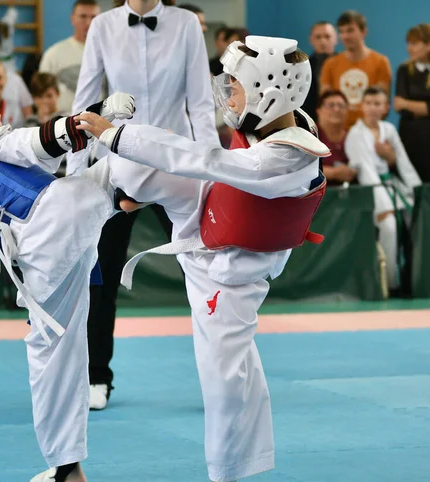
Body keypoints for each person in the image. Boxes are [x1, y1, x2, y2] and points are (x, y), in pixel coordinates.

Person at [77, 35, 330, 482]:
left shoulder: (285, 157)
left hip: (229, 277)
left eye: (234, 88)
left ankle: (227, 473)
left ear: (269, 92)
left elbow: (205, 158)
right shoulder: (283, 120)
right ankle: (97, 198)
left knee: (226, 381)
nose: (228, 98)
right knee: (149, 160)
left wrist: (116, 134)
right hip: (209, 223)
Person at [0, 70, 136, 482]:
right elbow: (42, 141)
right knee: (128, 172)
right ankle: (195, 178)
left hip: (44, 258)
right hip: (59, 219)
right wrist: (95, 115)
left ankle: (67, 468)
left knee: (54, 358)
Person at [71, 0, 219, 410]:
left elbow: (201, 102)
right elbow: (84, 101)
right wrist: (73, 173)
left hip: (178, 164)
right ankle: (96, 377)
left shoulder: (187, 23)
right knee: (101, 274)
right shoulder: (102, 26)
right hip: (119, 165)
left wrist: (213, 169)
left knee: (207, 272)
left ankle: (220, 377)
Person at [345, 86, 422, 292]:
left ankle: (412, 279)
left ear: (385, 107)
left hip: (393, 185)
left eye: (377, 104)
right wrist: (383, 206)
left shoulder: (389, 129)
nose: (372, 108)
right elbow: (366, 173)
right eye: (368, 103)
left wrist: (417, 191)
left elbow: (403, 162)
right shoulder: (355, 134)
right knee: (388, 225)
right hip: (371, 193)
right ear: (362, 106)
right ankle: (389, 282)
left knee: (416, 220)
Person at [319, 10, 392, 128]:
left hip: (369, 130)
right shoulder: (330, 64)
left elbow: (383, 106)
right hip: (338, 131)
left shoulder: (381, 62)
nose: (345, 36)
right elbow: (325, 103)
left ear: (364, 31)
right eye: (341, 32)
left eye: (350, 30)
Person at [38, 0, 102, 113]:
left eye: (93, 17)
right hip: (64, 123)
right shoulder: (53, 54)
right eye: (83, 16)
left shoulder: (108, 53)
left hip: (102, 122)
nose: (88, 22)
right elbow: (42, 93)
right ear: (72, 19)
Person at [394, 23, 430, 182]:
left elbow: (404, 103)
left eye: (414, 43)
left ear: (429, 45)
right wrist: (425, 107)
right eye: (408, 43)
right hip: (410, 137)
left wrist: (408, 103)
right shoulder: (403, 69)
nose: (409, 48)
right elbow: (399, 106)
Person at [316, 89, 357, 186]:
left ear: (347, 111)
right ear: (319, 111)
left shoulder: (354, 137)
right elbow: (300, 169)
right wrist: (333, 173)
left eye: (341, 106)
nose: (336, 109)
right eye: (330, 105)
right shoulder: (309, 135)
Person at [302, 21, 337, 121]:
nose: (323, 41)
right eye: (318, 37)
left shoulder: (345, 65)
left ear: (335, 39)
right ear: (311, 40)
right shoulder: (302, 67)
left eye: (327, 37)